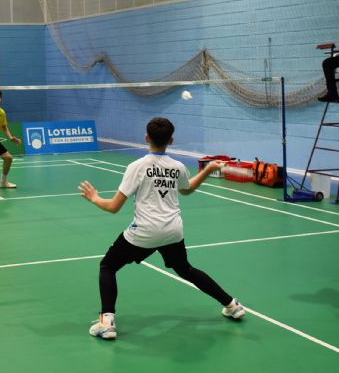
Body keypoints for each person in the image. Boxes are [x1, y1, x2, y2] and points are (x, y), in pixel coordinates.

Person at [78, 117, 245, 340]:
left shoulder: (136, 167)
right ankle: (232, 305)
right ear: (171, 140)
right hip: (172, 231)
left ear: (146, 138)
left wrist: (95, 198)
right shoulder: (177, 167)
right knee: (185, 269)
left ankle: (107, 323)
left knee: (108, 266)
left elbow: (113, 207)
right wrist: (208, 170)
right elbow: (186, 190)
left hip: (144, 233)